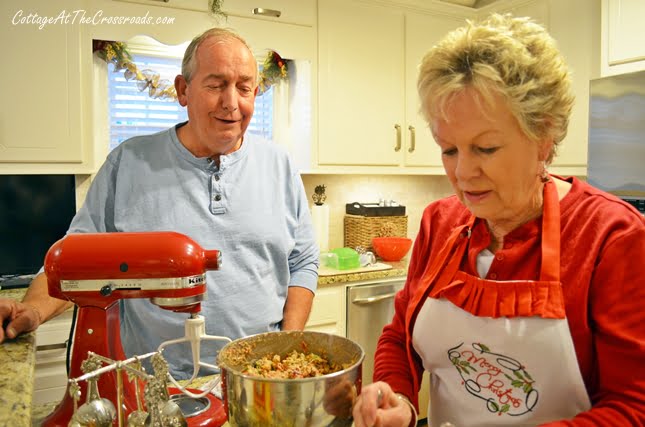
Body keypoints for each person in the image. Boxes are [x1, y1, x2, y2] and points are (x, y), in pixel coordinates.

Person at [352, 13, 645, 427]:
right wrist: (396, 396)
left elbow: (634, 406)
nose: (463, 173)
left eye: (485, 148)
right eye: (448, 149)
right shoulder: (440, 222)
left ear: (543, 136)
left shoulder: (612, 237)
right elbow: (401, 337)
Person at [0, 27, 320, 379]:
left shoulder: (280, 165)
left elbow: (302, 260)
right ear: (183, 90)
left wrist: (288, 344)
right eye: (216, 85)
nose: (231, 102)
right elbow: (74, 263)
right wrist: (31, 310)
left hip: (258, 376)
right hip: (155, 383)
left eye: (244, 88)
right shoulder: (129, 162)